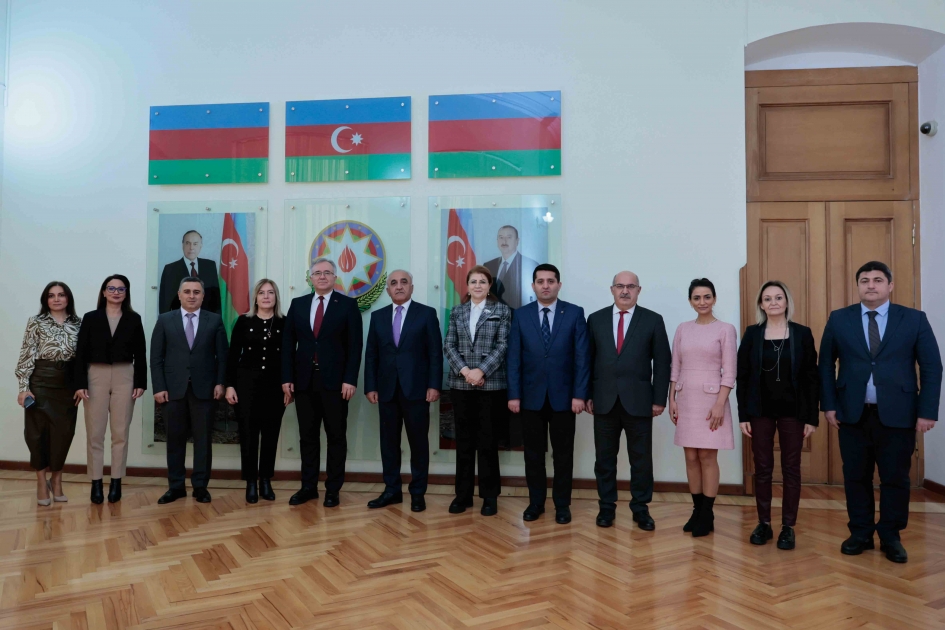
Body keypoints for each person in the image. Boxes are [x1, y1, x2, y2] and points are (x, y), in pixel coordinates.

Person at [820, 261, 942, 564]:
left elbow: (931, 367)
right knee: (856, 476)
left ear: (889, 285)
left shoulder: (913, 319)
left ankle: (890, 536)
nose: (870, 285)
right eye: (864, 280)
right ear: (858, 286)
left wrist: (927, 411)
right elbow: (824, 366)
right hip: (851, 413)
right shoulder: (839, 319)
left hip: (899, 414)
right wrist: (829, 405)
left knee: (895, 478)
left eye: (877, 280)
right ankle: (860, 532)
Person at [736, 280, 819, 550]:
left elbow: (810, 378)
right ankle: (764, 524)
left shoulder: (802, 333)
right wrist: (743, 415)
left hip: (793, 413)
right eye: (767, 298)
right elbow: (743, 376)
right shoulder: (751, 334)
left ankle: (787, 527)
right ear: (761, 304)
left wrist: (811, 417)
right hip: (759, 412)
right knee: (762, 469)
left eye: (778, 298)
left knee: (791, 469)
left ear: (786, 302)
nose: (773, 302)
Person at [586, 271, 671, 530]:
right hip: (604, 401)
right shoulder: (596, 319)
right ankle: (606, 508)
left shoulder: (653, 320)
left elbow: (663, 362)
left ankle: (641, 508)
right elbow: (587, 361)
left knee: (641, 460)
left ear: (639, 290)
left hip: (640, 402)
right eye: (620, 286)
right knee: (604, 460)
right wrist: (588, 394)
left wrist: (659, 399)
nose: (625, 291)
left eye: (630, 286)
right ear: (612, 289)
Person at [507, 263, 589, 524]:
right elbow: (514, 358)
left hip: (565, 398)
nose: (545, 285)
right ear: (533, 286)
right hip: (530, 397)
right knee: (533, 454)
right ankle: (536, 503)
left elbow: (582, 357)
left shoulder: (574, 313)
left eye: (550, 281)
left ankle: (562, 505)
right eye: (540, 281)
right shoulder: (521, 315)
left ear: (559, 285)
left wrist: (579, 394)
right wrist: (514, 394)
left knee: (563, 455)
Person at [282, 258, 363, 507]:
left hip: (336, 383)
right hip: (304, 381)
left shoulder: (348, 305)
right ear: (310, 278)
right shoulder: (298, 304)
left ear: (335, 277)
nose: (322, 276)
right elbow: (287, 345)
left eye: (327, 272)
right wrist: (287, 378)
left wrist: (350, 379)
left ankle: (332, 489)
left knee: (336, 436)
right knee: (307, 436)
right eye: (317, 273)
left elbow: (355, 346)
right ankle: (308, 487)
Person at [364, 270, 442, 513]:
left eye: (403, 282)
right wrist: (370, 386)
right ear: (387, 289)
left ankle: (418, 492)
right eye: (394, 283)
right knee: (389, 444)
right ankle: (392, 490)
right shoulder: (377, 317)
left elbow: (435, 354)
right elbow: (372, 354)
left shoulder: (427, 314)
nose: (399, 286)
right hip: (386, 390)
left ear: (412, 287)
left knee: (418, 444)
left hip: (417, 390)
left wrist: (434, 385)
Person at [668, 278, 737, 537]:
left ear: (715, 299)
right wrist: (671, 398)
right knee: (690, 457)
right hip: (686, 399)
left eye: (707, 297)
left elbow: (730, 371)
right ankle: (697, 511)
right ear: (690, 301)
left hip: (711, 401)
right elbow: (675, 367)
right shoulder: (683, 329)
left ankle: (707, 513)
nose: (702, 302)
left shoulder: (725, 329)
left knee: (708, 457)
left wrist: (720, 403)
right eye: (697, 298)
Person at [150, 277, 228, 504]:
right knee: (174, 440)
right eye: (187, 291)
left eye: (196, 292)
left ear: (203, 296)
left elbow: (223, 357)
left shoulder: (214, 321)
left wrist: (220, 382)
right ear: (179, 294)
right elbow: (156, 358)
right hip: (172, 391)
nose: (192, 295)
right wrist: (159, 386)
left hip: (205, 390)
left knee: (203, 441)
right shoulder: (165, 320)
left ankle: (200, 487)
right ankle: (176, 487)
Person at [443, 265, 512, 516]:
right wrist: (466, 371)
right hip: (461, 384)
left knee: (487, 441)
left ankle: (489, 496)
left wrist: (480, 371)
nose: (478, 286)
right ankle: (463, 496)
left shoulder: (501, 310)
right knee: (463, 442)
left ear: (489, 285)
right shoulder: (457, 311)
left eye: (483, 281)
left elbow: (503, 346)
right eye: (474, 281)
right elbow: (449, 345)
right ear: (468, 285)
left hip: (490, 385)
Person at [73, 275, 147, 504]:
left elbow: (141, 354)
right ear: (104, 292)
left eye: (121, 288)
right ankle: (96, 483)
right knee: (95, 434)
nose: (116, 292)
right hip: (96, 375)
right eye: (111, 288)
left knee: (120, 433)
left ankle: (116, 482)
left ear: (126, 293)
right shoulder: (90, 318)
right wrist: (80, 383)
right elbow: (81, 354)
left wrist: (140, 382)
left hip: (125, 375)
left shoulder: (134, 319)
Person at [15, 282, 82, 506]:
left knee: (63, 435)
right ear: (45, 299)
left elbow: (84, 359)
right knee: (37, 435)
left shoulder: (79, 323)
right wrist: (24, 387)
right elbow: (26, 354)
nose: (56, 299)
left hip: (68, 385)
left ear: (68, 298)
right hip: (41, 382)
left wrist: (82, 385)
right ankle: (41, 481)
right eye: (51, 295)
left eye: (61, 295)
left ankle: (57, 480)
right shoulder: (36, 322)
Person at [225, 279, 286, 504]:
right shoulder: (243, 321)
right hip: (246, 385)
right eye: (262, 292)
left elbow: (290, 358)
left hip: (275, 386)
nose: (266, 296)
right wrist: (230, 384)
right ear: (256, 297)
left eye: (271, 292)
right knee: (249, 435)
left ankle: (265, 480)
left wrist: (290, 384)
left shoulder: (284, 323)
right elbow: (232, 356)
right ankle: (250, 481)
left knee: (270, 435)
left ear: (276, 297)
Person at [159, 230, 221, 314]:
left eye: (195, 244)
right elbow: (164, 303)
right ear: (182, 245)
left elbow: (215, 298)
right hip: (179, 320)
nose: (191, 247)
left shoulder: (210, 266)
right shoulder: (170, 269)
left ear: (200, 246)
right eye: (188, 243)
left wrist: (216, 321)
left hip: (206, 320)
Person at [483, 225, 539, 309]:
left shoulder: (529, 265)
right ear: (497, 241)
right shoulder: (488, 265)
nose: (504, 241)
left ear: (517, 241)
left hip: (518, 317)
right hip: (492, 318)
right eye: (501, 237)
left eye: (509, 237)